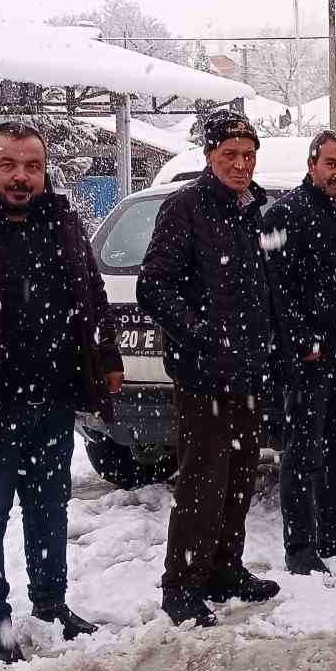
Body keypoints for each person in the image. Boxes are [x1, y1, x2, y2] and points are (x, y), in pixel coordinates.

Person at [0, 122, 123, 668]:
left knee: (48, 508)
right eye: (8, 165)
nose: (20, 176)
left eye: (31, 166)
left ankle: (52, 603)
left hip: (52, 400)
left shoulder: (63, 223)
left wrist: (105, 358)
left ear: (44, 171)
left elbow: (92, 292)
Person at [137, 110, 284, 627]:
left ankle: (226, 569)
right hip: (204, 375)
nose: (242, 165)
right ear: (210, 157)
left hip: (249, 372)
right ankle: (182, 585)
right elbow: (154, 287)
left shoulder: (257, 210)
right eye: (230, 156)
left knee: (240, 477)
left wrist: (270, 341)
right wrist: (204, 335)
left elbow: (270, 284)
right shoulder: (185, 209)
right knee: (202, 483)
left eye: (248, 155)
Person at [262, 130, 336, 576]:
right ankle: (300, 548)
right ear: (313, 163)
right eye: (332, 164)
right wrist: (304, 344)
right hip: (309, 361)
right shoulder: (283, 215)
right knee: (302, 455)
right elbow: (278, 290)